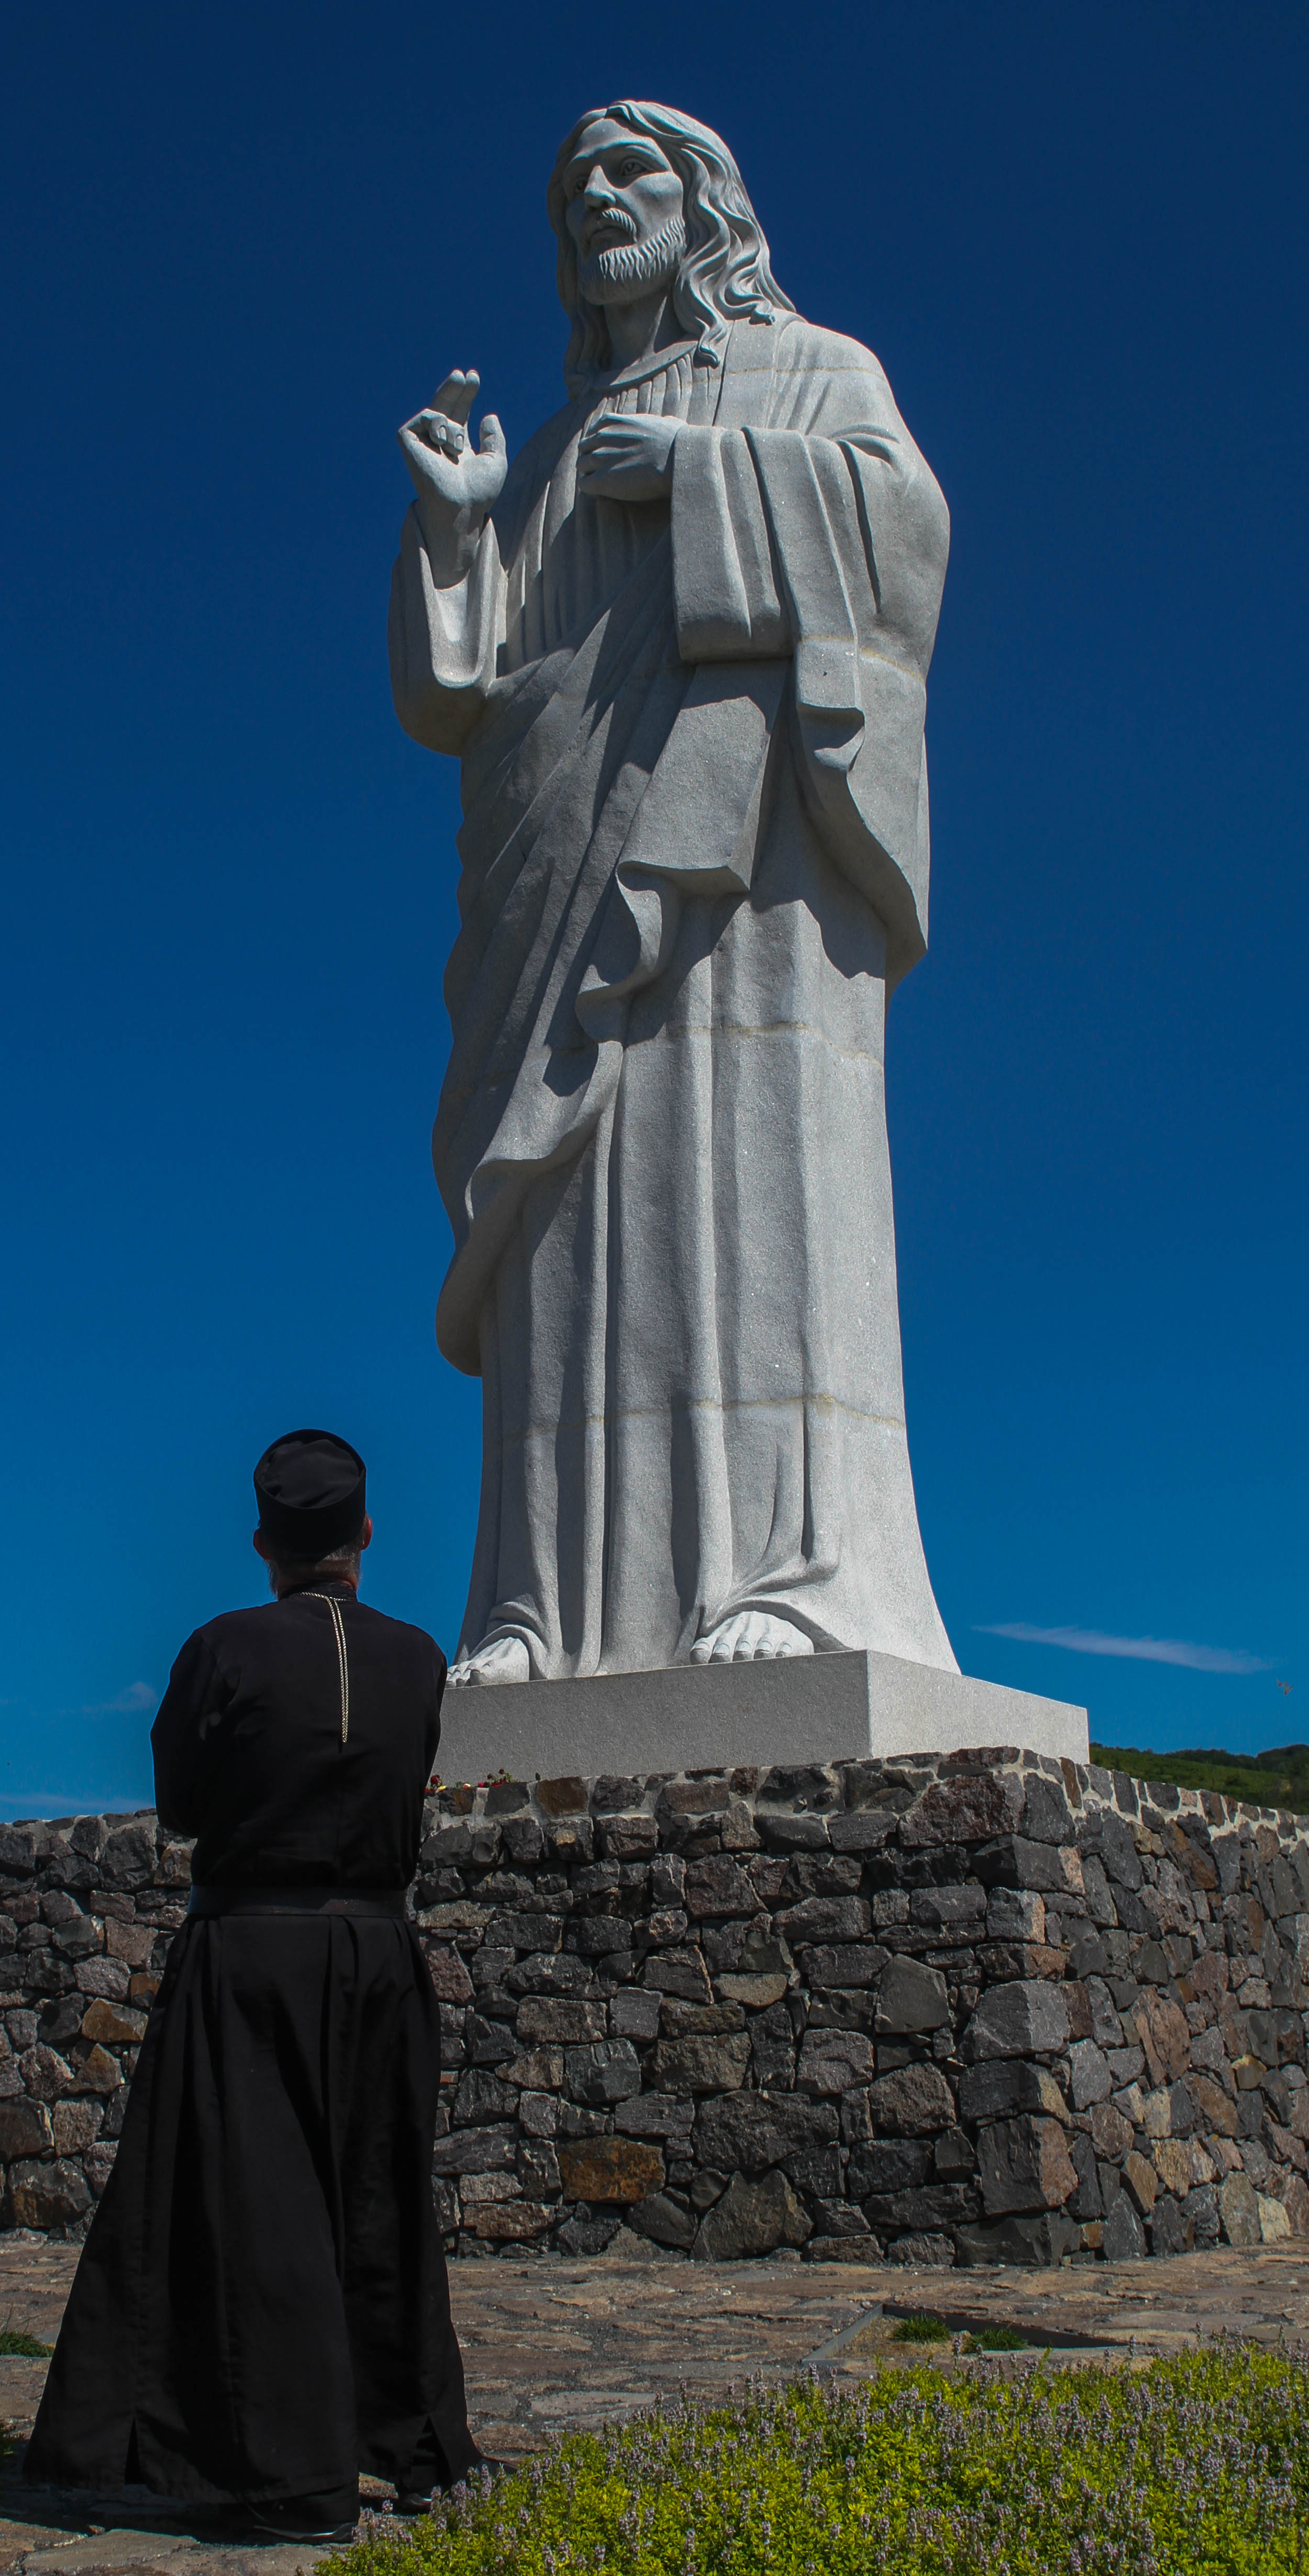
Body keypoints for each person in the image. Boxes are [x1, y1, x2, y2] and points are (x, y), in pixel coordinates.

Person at [390, 101, 958, 1689]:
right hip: (555, 858)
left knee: (750, 1184)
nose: (596, 199)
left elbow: (906, 551)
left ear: (706, 202)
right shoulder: (549, 451)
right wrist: (457, 531)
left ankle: (794, 1574)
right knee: (564, 1213)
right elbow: (465, 699)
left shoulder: (815, 369)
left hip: (744, 847)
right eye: (572, 184)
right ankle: (541, 1609)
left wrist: (707, 473)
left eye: (629, 171)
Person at [25, 1428, 480, 2542]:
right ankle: (415, 2447)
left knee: (261, 2205)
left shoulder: (221, 1650)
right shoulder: (420, 1658)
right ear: (365, 1532)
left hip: (249, 1949)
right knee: (382, 2196)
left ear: (263, 1543)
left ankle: (292, 2475)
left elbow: (183, 1805)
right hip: (378, 1951)